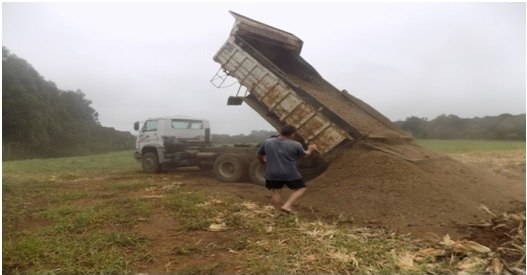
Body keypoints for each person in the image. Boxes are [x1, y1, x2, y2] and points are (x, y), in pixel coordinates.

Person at [257, 125, 318, 215]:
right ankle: (287, 205)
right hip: (290, 172)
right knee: (301, 188)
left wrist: (262, 162)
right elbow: (305, 155)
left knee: (277, 192)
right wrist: (310, 149)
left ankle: (277, 213)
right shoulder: (296, 144)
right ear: (292, 134)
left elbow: (259, 155)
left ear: (281, 132)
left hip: (272, 173)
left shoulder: (267, 142)